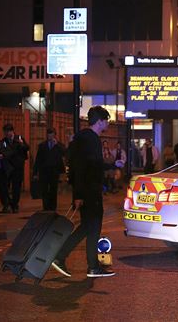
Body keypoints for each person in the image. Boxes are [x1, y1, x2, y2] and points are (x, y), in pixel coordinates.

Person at [51, 106, 115, 278]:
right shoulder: (91, 140)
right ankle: (90, 266)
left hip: (86, 191)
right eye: (106, 120)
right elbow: (84, 168)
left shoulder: (82, 139)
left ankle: (64, 258)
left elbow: (78, 167)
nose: (107, 123)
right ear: (100, 121)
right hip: (90, 192)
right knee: (93, 227)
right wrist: (79, 194)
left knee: (87, 227)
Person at [0, 123, 29, 213]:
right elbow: (3, 150)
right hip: (8, 167)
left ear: (12, 131)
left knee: (16, 187)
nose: (7, 134)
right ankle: (8, 203)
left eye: (8, 132)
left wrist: (22, 144)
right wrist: (11, 152)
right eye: (5, 132)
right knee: (4, 187)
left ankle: (15, 205)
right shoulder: (4, 141)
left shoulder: (19, 138)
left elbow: (27, 148)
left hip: (18, 167)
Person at [32, 128, 66, 211]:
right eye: (48, 134)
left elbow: (64, 153)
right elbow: (38, 159)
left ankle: (53, 207)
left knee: (53, 189)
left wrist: (57, 144)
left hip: (54, 171)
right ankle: (46, 207)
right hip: (44, 170)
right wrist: (35, 173)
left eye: (51, 134)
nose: (49, 136)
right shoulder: (42, 145)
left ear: (55, 135)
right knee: (44, 189)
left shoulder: (59, 145)